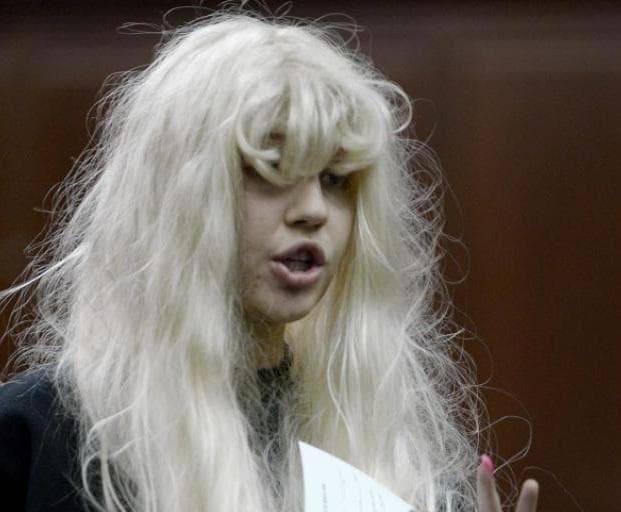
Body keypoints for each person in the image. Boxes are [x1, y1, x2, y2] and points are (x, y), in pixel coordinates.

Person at [0, 8, 539, 512]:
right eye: (271, 168)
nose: (313, 211)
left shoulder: (387, 460)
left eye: (336, 179)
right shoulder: (31, 439)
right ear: (179, 197)